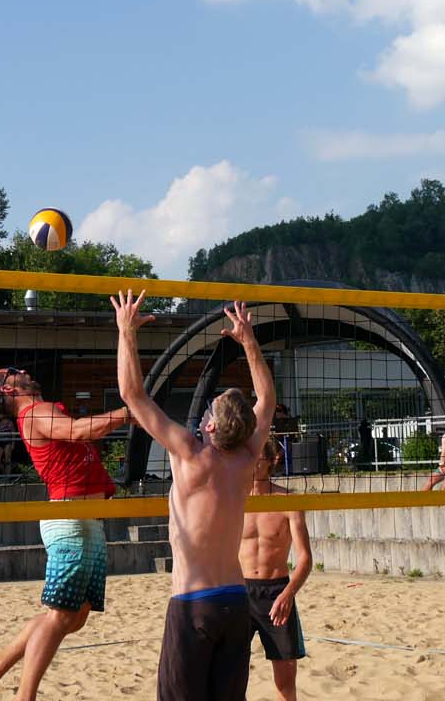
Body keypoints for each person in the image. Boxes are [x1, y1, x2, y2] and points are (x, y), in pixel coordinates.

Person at [115, 290, 276, 701]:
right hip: (236, 602)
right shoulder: (247, 459)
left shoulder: (189, 453)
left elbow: (133, 394)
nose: (203, 413)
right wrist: (249, 341)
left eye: (208, 409)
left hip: (193, 603)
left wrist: (126, 331)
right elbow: (267, 400)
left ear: (211, 427)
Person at [0, 352, 132, 701]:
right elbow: (78, 431)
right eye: (14, 371)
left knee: (74, 616)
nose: (24, 370)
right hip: (70, 519)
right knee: (61, 616)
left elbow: (5, 391)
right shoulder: (35, 412)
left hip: (85, 519)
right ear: (9, 388)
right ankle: (25, 696)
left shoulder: (32, 409)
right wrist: (130, 411)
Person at [241, 436, 311, 701]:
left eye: (257, 455)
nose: (251, 461)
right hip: (240, 592)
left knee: (285, 684)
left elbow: (305, 559)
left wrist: (288, 594)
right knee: (231, 679)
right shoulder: (234, 500)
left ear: (273, 459)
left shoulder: (288, 501)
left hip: (277, 593)